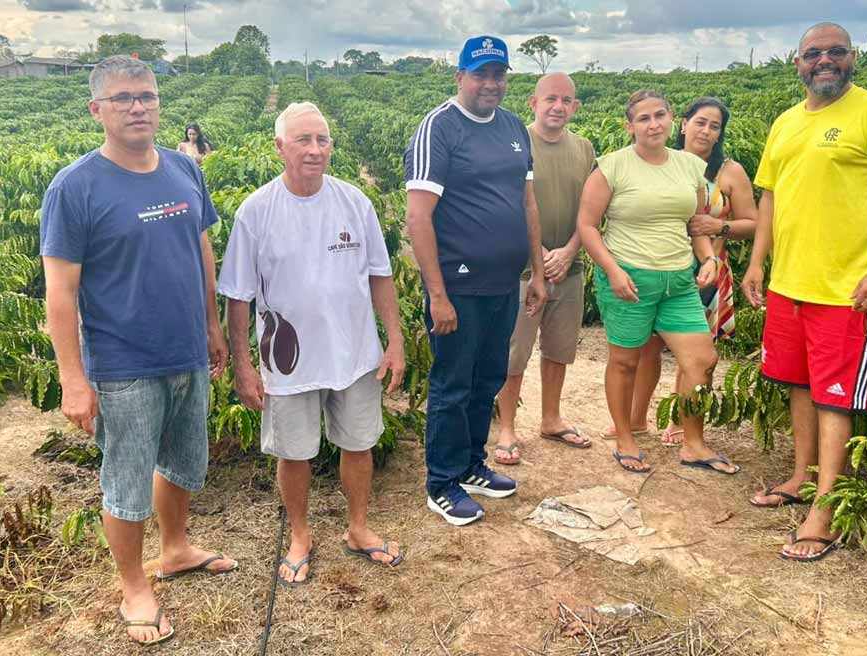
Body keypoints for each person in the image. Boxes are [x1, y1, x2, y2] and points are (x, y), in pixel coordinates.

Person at [40, 55, 236, 647]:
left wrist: (213, 325)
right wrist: (73, 379)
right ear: (96, 110)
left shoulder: (184, 168)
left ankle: (175, 549)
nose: (137, 108)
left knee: (182, 461)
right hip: (124, 362)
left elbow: (201, 249)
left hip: (187, 350)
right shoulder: (75, 187)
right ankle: (133, 587)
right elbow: (60, 292)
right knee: (126, 482)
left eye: (146, 96)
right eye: (123, 99)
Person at [742, 22, 867, 561]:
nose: (825, 61)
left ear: (853, 58)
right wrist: (757, 263)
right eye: (813, 53)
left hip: (847, 291)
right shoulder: (785, 122)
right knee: (798, 385)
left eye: (836, 52)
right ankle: (802, 478)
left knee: (834, 396)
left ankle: (825, 512)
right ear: (796, 62)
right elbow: (771, 197)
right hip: (789, 284)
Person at [219, 102, 406, 584]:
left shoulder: (354, 202)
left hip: (354, 352)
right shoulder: (256, 211)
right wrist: (243, 365)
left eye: (322, 140)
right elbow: (238, 296)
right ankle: (300, 536)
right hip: (287, 360)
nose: (315, 150)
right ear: (279, 147)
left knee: (359, 444)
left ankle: (358, 528)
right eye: (303, 140)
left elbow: (380, 276)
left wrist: (395, 341)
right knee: (294, 452)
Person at [404, 35, 547, 526]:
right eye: (480, 74)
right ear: (460, 77)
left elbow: (527, 202)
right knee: (453, 383)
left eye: (498, 74)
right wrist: (437, 295)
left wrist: (536, 272)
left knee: (487, 378)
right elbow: (418, 217)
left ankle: (470, 464)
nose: (491, 83)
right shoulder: (439, 128)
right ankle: (442, 482)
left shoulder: (513, 127)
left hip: (503, 283)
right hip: (458, 287)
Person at [577, 90, 740, 476]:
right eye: (644, 118)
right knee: (625, 362)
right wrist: (613, 271)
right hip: (629, 279)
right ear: (629, 126)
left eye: (660, 115)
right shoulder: (612, 167)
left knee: (702, 360)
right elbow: (587, 225)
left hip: (678, 282)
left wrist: (708, 258)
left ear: (671, 119)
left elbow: (695, 224)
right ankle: (626, 437)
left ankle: (693, 443)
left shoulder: (689, 166)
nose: (653, 124)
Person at [602, 97, 757, 446]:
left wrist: (719, 228)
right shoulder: (661, 161)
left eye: (715, 126)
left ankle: (680, 423)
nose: (706, 131)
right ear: (684, 124)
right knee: (647, 348)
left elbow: (753, 222)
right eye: (700, 122)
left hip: (704, 269)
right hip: (656, 266)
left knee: (696, 354)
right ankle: (636, 419)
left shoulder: (728, 171)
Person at [492, 72, 596, 465]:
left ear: (575, 107)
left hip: (569, 268)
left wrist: (568, 251)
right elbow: (507, 204)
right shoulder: (514, 143)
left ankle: (551, 419)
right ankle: (507, 428)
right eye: (551, 99)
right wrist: (539, 255)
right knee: (514, 352)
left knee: (559, 349)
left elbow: (592, 210)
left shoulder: (584, 149)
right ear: (534, 103)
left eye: (566, 100)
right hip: (522, 270)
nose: (558, 107)